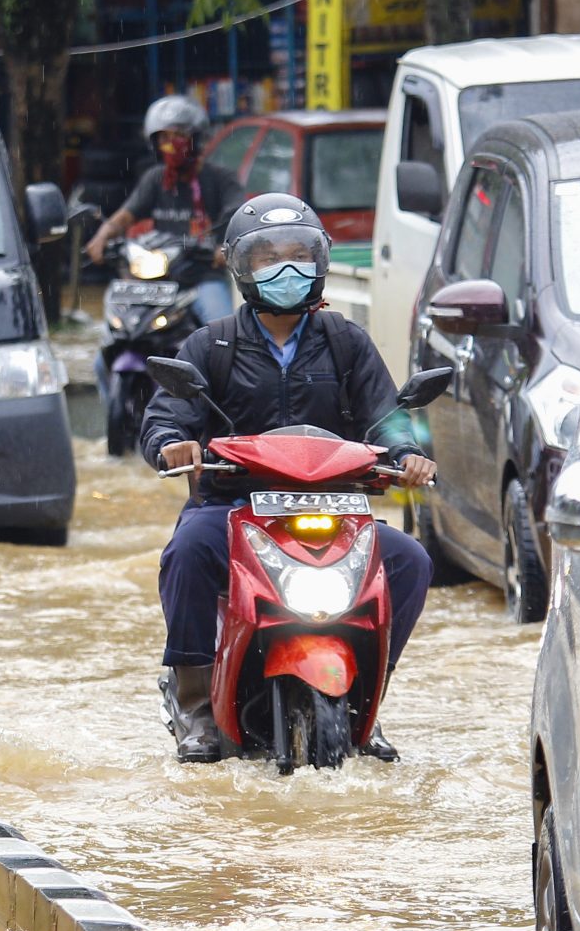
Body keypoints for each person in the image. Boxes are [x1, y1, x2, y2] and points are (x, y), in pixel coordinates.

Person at [138, 194, 438, 763]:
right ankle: (196, 705)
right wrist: (171, 446)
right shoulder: (212, 345)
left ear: (320, 263)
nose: (287, 270)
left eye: (300, 255)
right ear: (241, 267)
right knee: (186, 553)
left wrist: (408, 453)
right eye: (268, 258)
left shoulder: (347, 342)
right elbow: (163, 417)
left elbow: (389, 417)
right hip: (232, 507)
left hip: (335, 510)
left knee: (410, 562)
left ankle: (368, 704)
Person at [84, 95, 241, 325]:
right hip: (156, 281)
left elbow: (238, 215)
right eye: (164, 137)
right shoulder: (155, 179)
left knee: (223, 332)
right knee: (114, 337)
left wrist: (226, 247)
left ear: (196, 139)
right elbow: (126, 215)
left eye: (179, 135)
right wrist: (102, 236)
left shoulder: (220, 179)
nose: (171, 143)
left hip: (203, 276)